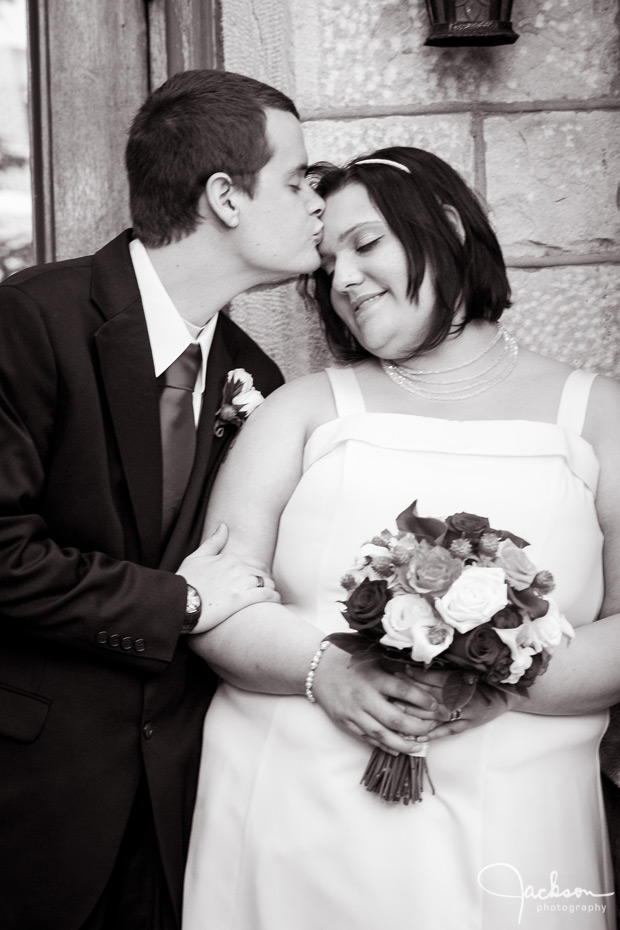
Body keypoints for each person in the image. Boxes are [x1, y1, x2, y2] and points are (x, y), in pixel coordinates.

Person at [182, 146, 620, 930]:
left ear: (446, 226)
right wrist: (327, 673)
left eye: (364, 243)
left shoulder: (597, 416)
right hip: (295, 808)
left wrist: (496, 680)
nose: (341, 279)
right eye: (325, 264)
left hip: (515, 814)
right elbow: (215, 593)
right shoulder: (303, 409)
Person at [0, 68, 325, 930]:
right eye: (297, 181)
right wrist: (176, 601)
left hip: (186, 803)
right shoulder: (31, 320)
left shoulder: (258, 378)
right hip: (32, 796)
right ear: (225, 195)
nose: (317, 203)